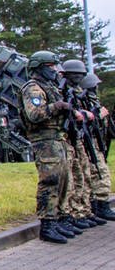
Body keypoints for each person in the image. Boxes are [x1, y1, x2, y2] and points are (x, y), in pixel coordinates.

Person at [21, 51, 78, 243]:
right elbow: (34, 115)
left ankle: (58, 218)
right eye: (50, 66)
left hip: (56, 138)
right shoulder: (33, 88)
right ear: (40, 67)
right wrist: (56, 107)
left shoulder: (50, 87)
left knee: (63, 180)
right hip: (44, 140)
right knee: (50, 180)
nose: (54, 70)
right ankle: (47, 223)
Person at [59, 59, 104, 229]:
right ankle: (75, 212)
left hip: (78, 137)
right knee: (74, 177)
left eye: (80, 75)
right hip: (67, 139)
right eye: (75, 74)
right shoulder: (62, 91)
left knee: (83, 174)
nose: (78, 77)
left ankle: (83, 211)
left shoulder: (77, 93)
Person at [81, 71, 114, 220]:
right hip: (90, 143)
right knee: (98, 173)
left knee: (101, 173)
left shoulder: (93, 101)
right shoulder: (83, 101)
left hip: (97, 143)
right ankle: (98, 206)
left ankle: (101, 205)